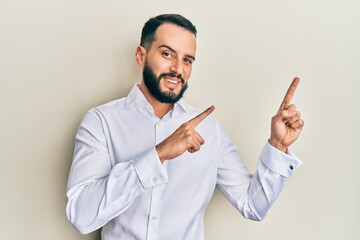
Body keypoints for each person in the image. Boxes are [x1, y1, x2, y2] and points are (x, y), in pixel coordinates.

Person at [66, 14, 304, 240]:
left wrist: (278, 146)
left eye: (187, 60)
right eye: (168, 54)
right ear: (141, 55)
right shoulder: (101, 121)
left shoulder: (210, 129)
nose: (178, 69)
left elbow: (253, 206)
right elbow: (81, 215)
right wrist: (158, 154)